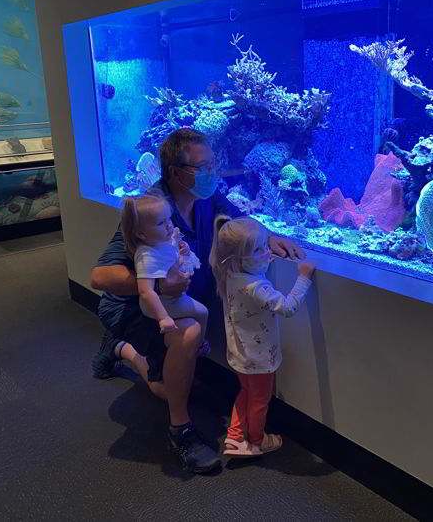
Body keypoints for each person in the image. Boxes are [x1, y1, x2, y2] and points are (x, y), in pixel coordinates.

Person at [90, 128, 305, 474]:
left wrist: (273, 238)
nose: (212, 173)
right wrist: (160, 285)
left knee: (166, 384)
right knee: (186, 343)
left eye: (212, 164)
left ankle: (119, 349)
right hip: (139, 308)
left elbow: (239, 219)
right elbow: (99, 277)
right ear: (176, 172)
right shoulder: (154, 209)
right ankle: (181, 431)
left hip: (176, 306)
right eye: (202, 166)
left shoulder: (208, 199)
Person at [209, 215, 315, 456]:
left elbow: (254, 265)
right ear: (240, 258)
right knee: (259, 401)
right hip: (259, 360)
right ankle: (257, 441)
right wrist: (303, 278)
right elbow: (287, 307)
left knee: (245, 393)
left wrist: (262, 255)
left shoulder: (229, 274)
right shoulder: (257, 287)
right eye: (260, 249)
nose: (267, 252)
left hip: (239, 354)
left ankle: (235, 437)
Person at [119, 191, 209, 349]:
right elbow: (146, 292)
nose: (169, 225)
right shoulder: (147, 256)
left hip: (173, 296)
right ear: (141, 233)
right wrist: (163, 318)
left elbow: (171, 255)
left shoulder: (162, 239)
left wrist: (184, 250)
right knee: (202, 312)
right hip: (164, 304)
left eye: (168, 218)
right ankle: (200, 346)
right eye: (161, 223)